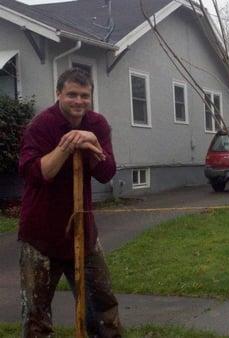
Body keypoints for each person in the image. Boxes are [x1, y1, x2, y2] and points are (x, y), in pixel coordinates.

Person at [18, 68, 123, 337]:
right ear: (58, 94)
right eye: (72, 95)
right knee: (36, 316)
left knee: (103, 306)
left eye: (85, 96)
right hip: (41, 236)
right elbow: (36, 174)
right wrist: (66, 146)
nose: (79, 101)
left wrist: (93, 143)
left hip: (83, 232)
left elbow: (106, 172)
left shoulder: (97, 124)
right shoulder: (41, 126)